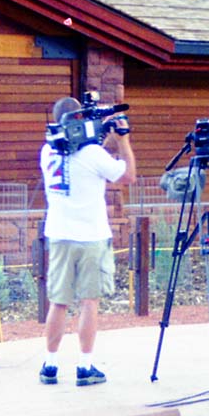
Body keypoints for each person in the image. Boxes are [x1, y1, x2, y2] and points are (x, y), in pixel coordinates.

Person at [38, 95, 135, 386]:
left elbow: (82, 157)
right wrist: (123, 140)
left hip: (59, 234)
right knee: (89, 302)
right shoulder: (94, 154)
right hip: (92, 236)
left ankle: (50, 364)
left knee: (58, 302)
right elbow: (127, 175)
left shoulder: (47, 150)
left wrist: (103, 136)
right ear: (79, 119)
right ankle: (85, 365)